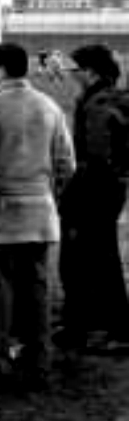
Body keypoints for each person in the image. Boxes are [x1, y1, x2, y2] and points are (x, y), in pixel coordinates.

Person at [0, 42, 75, 390]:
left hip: (1, 213)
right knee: (38, 292)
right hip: (41, 211)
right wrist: (49, 195)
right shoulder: (49, 106)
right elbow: (66, 164)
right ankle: (39, 364)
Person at [55, 43, 129, 352]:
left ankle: (107, 328)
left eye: (75, 69)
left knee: (84, 260)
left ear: (91, 72)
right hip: (111, 188)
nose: (72, 75)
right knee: (101, 257)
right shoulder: (114, 97)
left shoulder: (97, 103)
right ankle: (99, 324)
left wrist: (72, 195)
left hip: (94, 189)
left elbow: (96, 157)